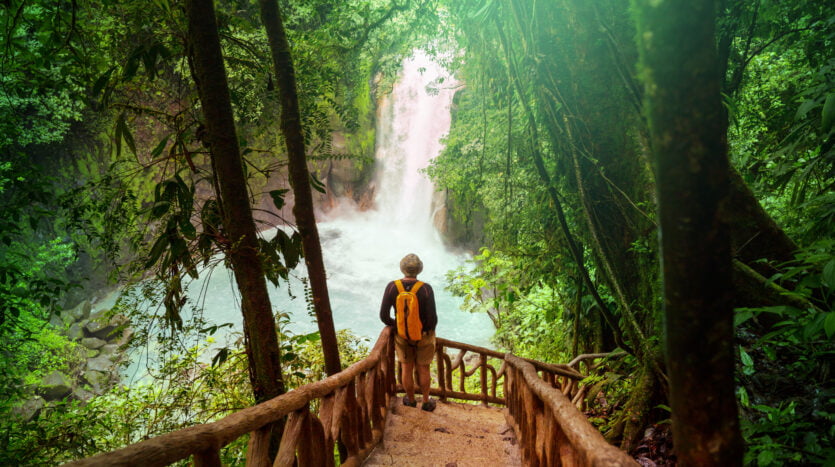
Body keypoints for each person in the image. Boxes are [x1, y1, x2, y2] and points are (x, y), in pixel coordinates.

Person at [380, 253, 438, 411]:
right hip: (423, 336)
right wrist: (425, 331)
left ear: (402, 268)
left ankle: (411, 400)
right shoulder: (425, 289)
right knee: (423, 368)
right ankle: (426, 401)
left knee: (406, 367)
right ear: (419, 269)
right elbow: (432, 318)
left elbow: (384, 315)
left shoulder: (392, 287)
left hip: (402, 336)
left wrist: (398, 326)